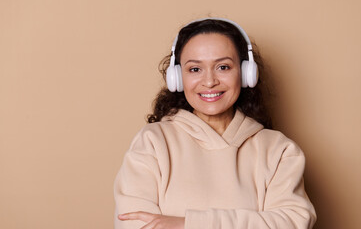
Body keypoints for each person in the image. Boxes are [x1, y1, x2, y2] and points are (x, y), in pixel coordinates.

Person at [113, 18, 316, 229]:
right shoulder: (152, 143)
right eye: (194, 69)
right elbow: (136, 225)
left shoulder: (279, 150)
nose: (209, 81)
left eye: (223, 67)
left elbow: (293, 223)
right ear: (178, 78)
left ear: (246, 73)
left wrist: (187, 224)